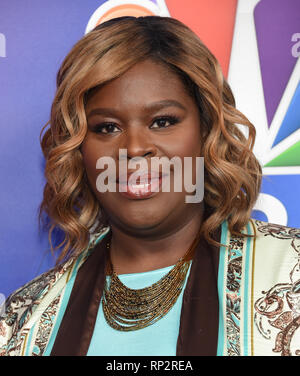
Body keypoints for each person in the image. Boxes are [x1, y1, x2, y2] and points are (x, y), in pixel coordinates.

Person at [0, 15, 299, 357]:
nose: (134, 148)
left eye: (162, 121)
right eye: (107, 128)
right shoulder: (21, 318)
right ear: (80, 150)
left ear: (207, 132)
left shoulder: (291, 271)